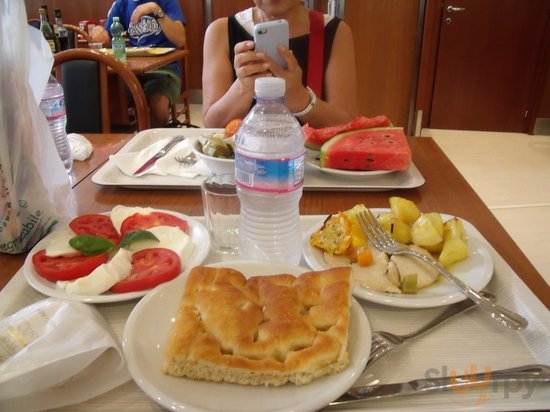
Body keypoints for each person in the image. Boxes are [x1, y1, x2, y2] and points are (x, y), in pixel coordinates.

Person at [202, 0, 358, 129]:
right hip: (240, 162)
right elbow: (212, 124)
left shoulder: (335, 32)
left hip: (309, 163)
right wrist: (243, 86)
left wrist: (300, 98)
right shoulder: (220, 31)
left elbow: (348, 125)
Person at [90, 0, 186, 128]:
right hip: (131, 72)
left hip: (165, 70)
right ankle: (126, 141)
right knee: (109, 101)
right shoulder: (120, 4)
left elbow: (180, 39)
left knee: (158, 110)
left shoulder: (166, 2)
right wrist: (99, 34)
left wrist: (155, 9)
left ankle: (155, 144)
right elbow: (108, 39)